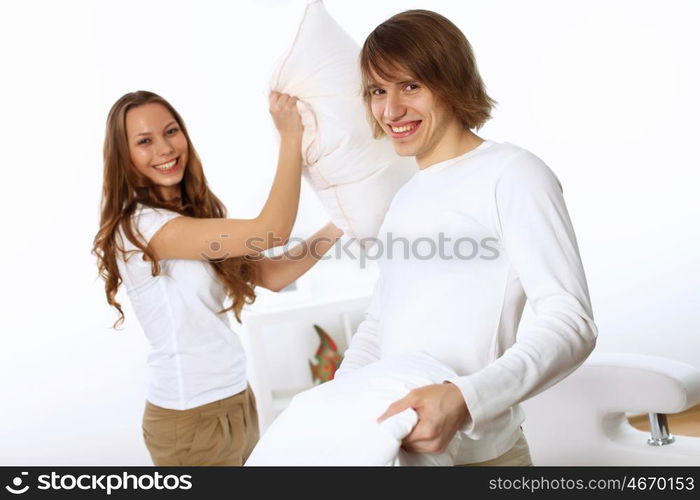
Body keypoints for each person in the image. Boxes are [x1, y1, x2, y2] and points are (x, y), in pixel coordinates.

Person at [335, 10, 598, 466]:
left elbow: (570, 322)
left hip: (483, 457)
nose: (390, 110)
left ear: (451, 80)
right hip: (404, 453)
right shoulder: (404, 199)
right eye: (378, 91)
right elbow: (379, 326)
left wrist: (464, 398)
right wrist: (340, 405)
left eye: (410, 86)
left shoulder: (513, 174)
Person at [92, 90, 343, 466]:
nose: (164, 148)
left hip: (237, 399)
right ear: (124, 156)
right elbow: (271, 232)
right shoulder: (140, 227)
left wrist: (342, 222)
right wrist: (290, 136)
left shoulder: (194, 219)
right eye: (144, 141)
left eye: (171, 131)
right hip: (190, 418)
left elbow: (272, 274)